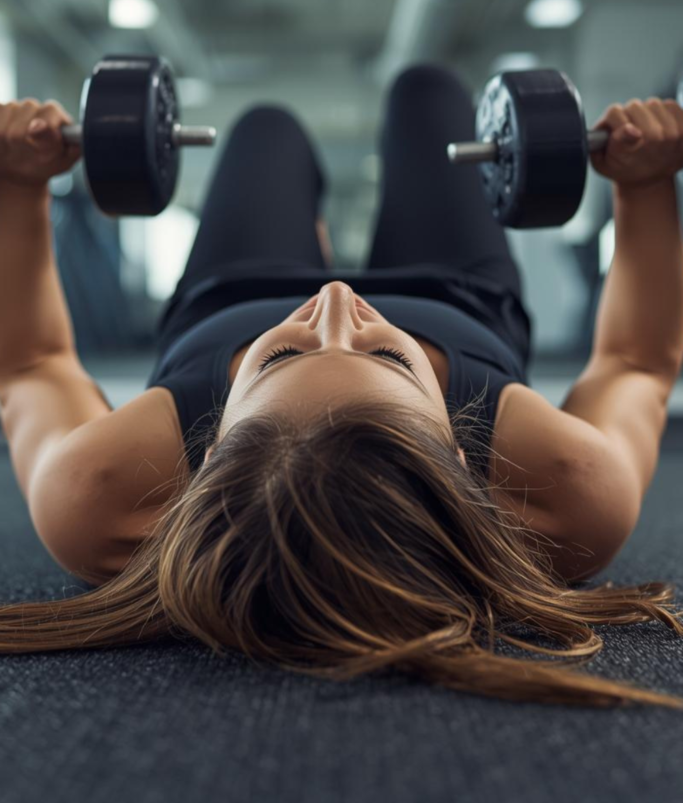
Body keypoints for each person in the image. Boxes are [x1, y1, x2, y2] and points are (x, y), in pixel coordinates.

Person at [1, 63, 683, 710]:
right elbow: (635, 363)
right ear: (458, 452)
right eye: (391, 356)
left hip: (235, 288)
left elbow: (31, 365)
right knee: (428, 93)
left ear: (207, 458)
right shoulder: (566, 492)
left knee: (265, 129)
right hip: (457, 290)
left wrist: (17, 183)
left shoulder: (100, 498)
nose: (335, 299)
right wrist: (645, 185)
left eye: (275, 361)